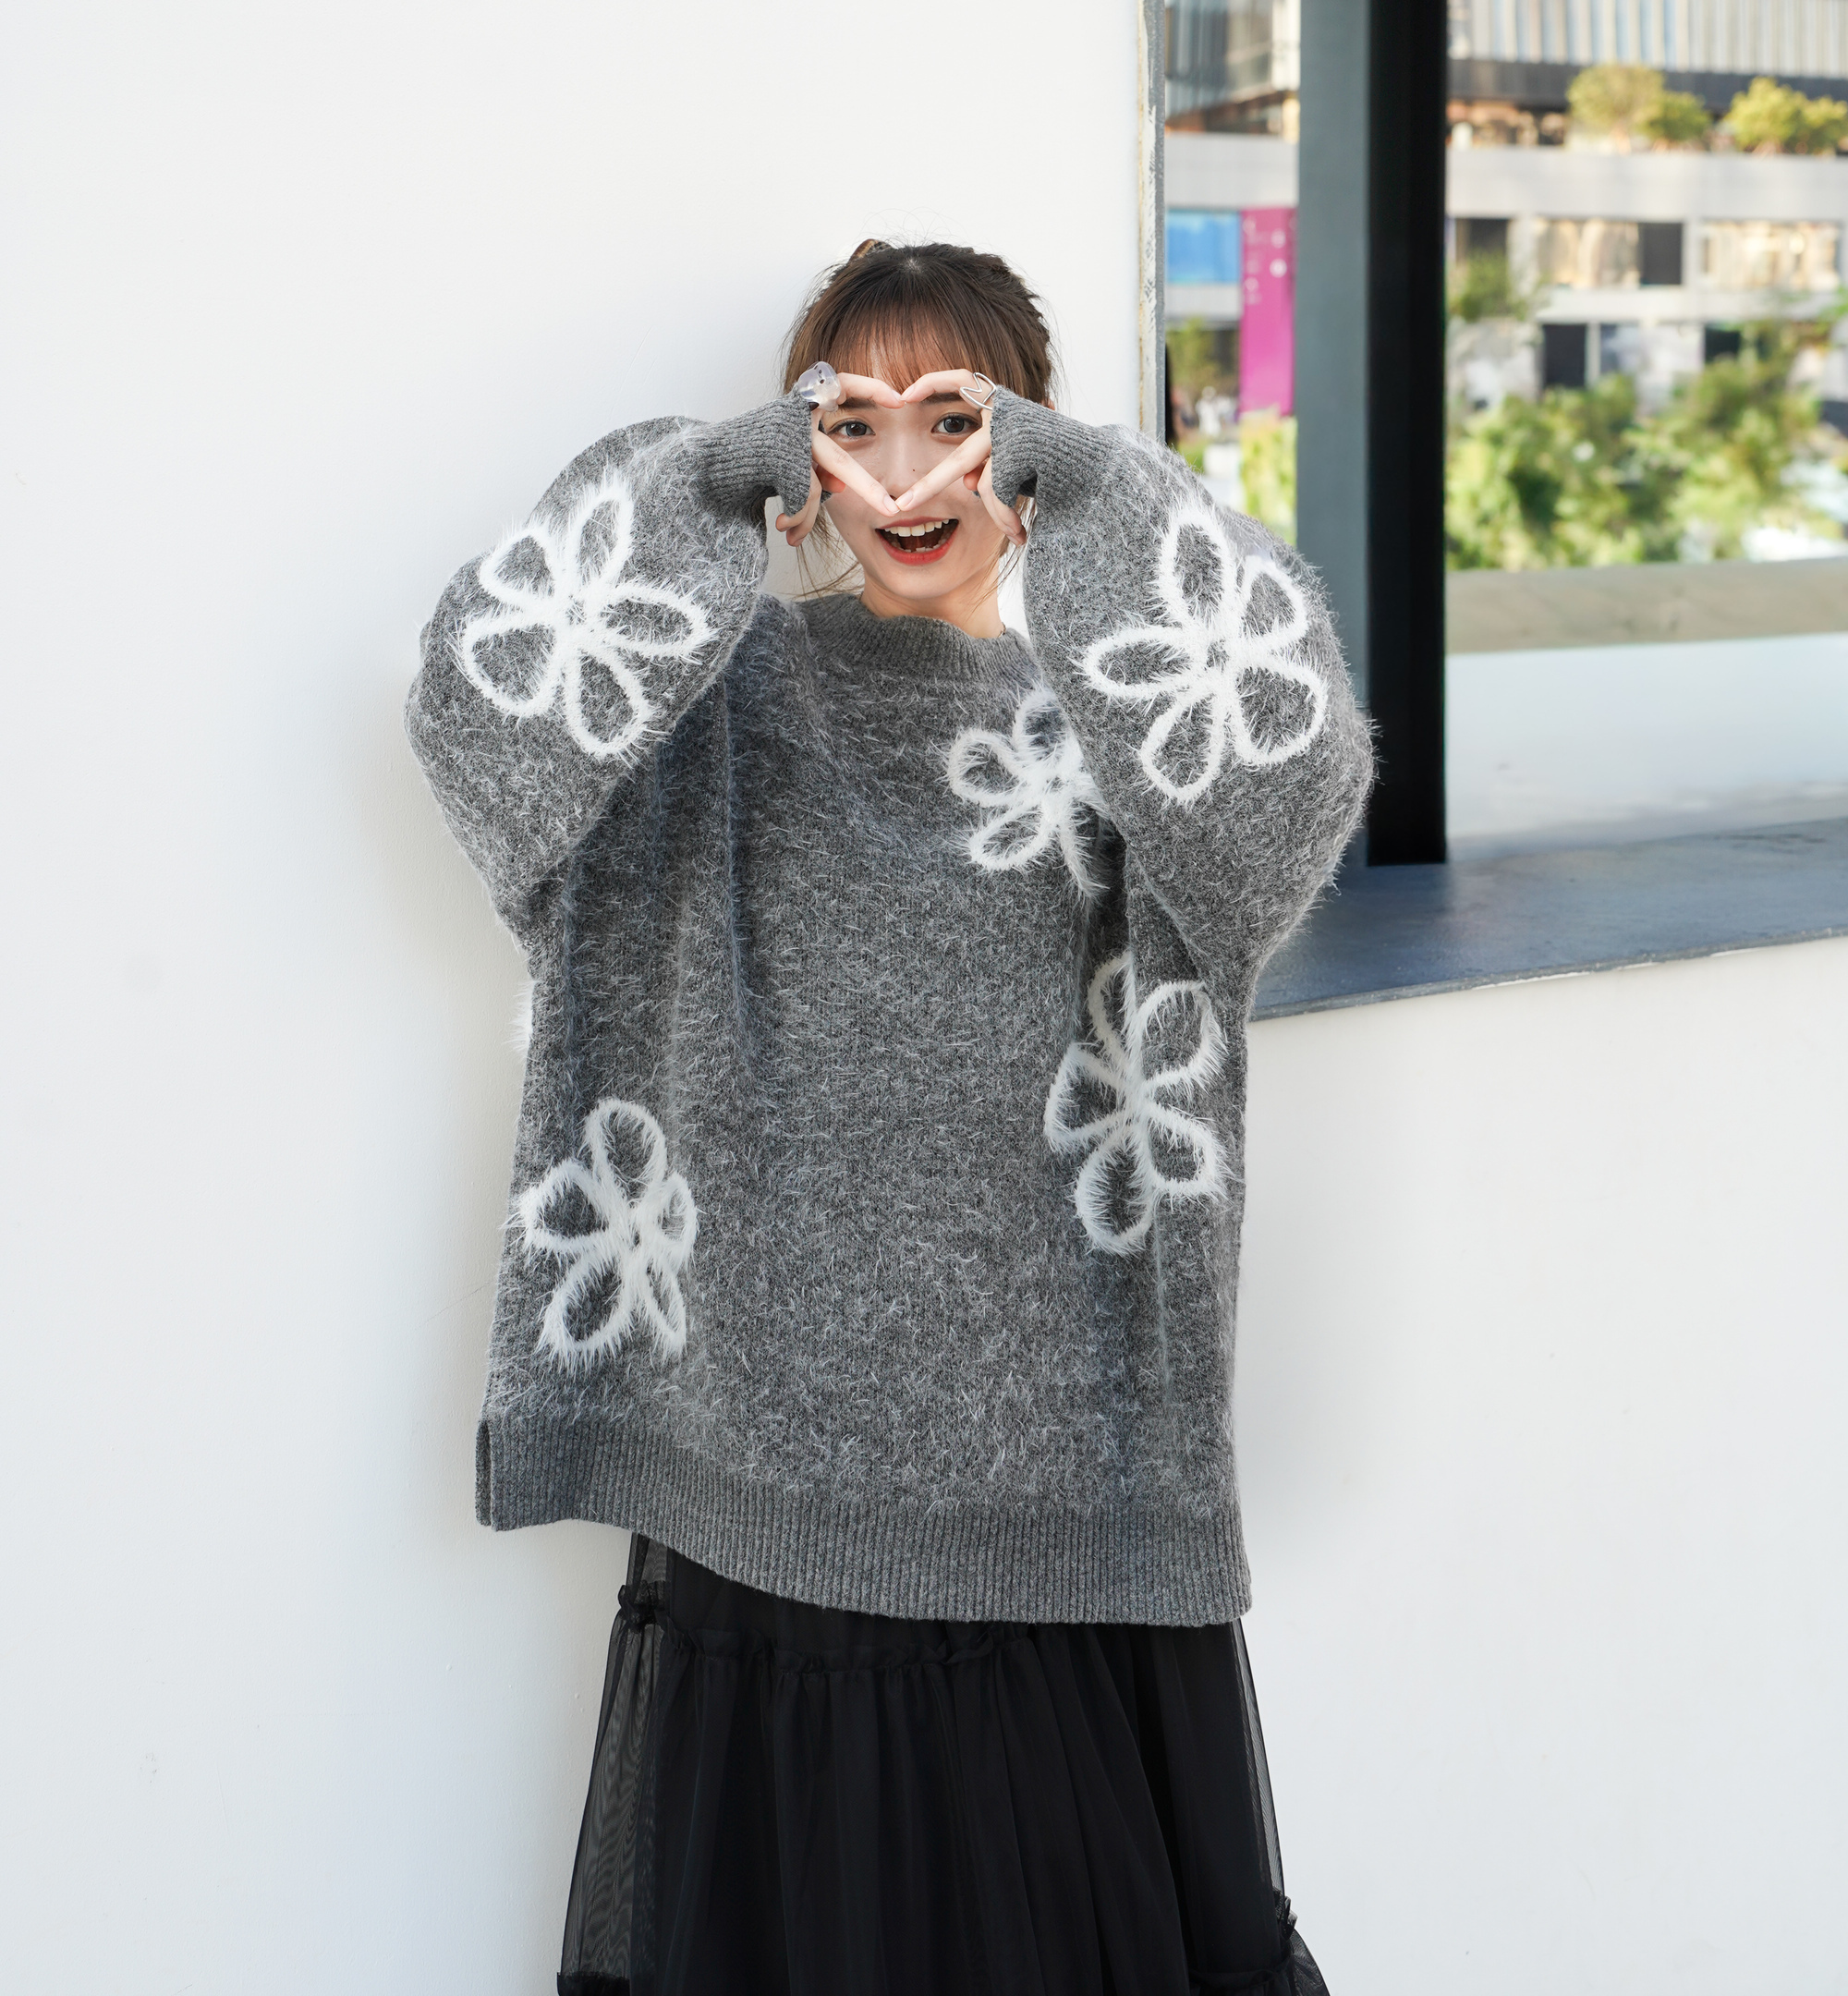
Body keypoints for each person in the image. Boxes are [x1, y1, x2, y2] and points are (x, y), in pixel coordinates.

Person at [406, 238, 1372, 1996]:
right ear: (802, 453)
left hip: (1057, 1524)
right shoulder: (707, 715)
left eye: (958, 420)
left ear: (1027, 445)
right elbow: (480, 713)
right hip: (760, 1518)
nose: (910, 476)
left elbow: (1293, 781)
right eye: (855, 424)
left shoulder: (1127, 745)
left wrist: (1108, 496)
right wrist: (703, 482)